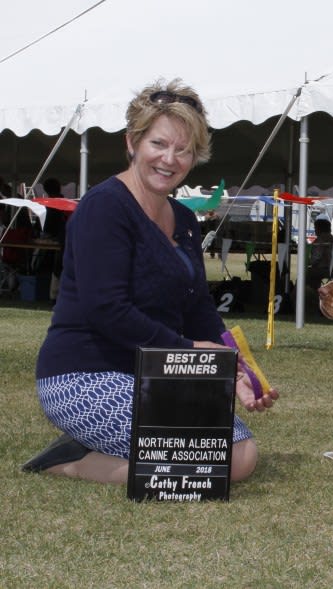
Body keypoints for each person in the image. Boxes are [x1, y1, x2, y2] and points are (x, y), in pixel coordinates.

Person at [22, 79, 278, 484]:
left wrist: (233, 368)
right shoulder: (104, 207)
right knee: (219, 462)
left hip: (152, 375)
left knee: (240, 453)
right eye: (158, 144)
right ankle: (68, 461)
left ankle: (102, 454)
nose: (170, 159)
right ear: (132, 143)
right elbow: (107, 310)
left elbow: (197, 310)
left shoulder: (186, 219)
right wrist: (194, 351)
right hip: (84, 376)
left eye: (184, 149)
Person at [307, 217, 333, 290]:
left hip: (324, 269)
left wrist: (310, 262)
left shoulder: (321, 240)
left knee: (306, 273)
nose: (315, 230)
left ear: (319, 228)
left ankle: (311, 293)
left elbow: (316, 257)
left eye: (315, 228)